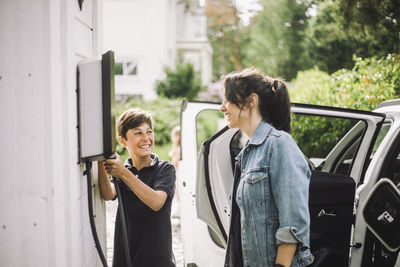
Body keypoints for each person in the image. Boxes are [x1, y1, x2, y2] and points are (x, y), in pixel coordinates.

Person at [220, 68, 314, 267]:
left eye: (227, 99)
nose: (222, 107)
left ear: (251, 101)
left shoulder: (279, 145)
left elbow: (293, 224)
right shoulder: (247, 152)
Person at [98, 108, 176, 267]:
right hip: (126, 257)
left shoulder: (165, 169)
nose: (146, 138)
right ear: (123, 141)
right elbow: (108, 193)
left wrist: (123, 173)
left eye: (149, 132)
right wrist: (101, 161)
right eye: (138, 133)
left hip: (156, 259)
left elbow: (156, 202)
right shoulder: (124, 169)